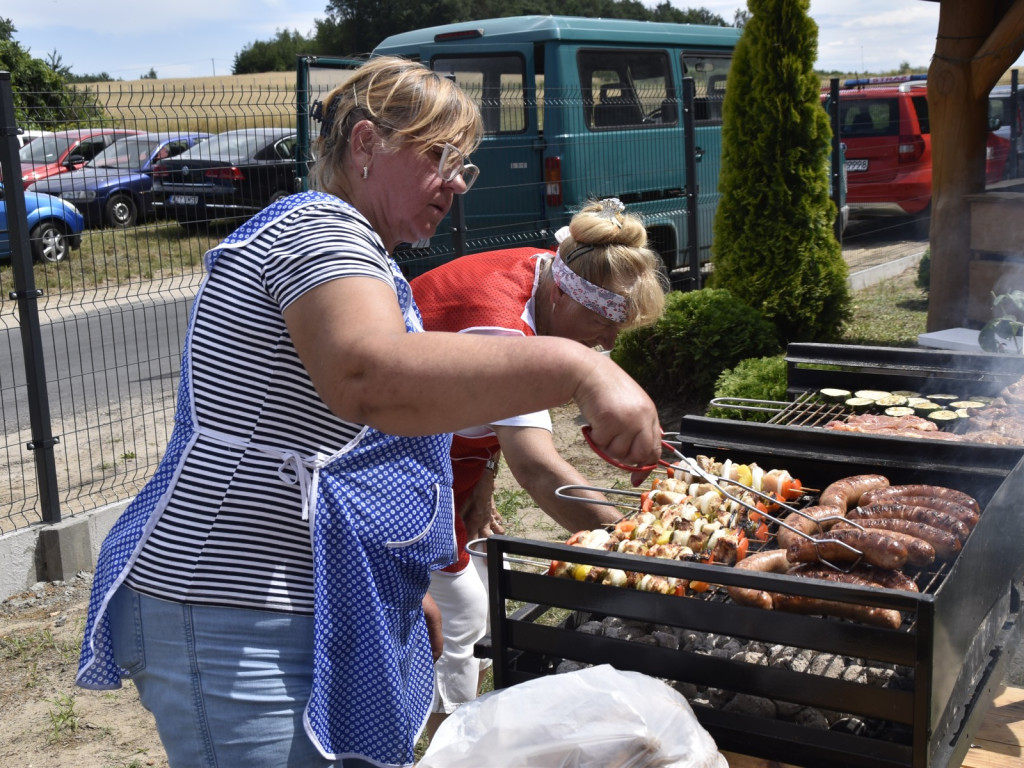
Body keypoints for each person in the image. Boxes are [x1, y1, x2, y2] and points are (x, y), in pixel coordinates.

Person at [74, 56, 662, 768]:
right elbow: (368, 378)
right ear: (364, 144)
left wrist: (391, 585)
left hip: (303, 594)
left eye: (465, 166)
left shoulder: (370, 257)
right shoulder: (320, 229)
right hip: (227, 609)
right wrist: (581, 367)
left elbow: (356, 446)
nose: (455, 183)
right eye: (440, 157)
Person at [410, 198, 668, 736]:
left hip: (442, 460)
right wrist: (637, 548)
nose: (607, 343)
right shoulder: (500, 327)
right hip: (393, 470)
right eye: (601, 323)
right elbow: (542, 470)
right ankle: (444, 737)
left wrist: (481, 484)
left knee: (473, 589)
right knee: (460, 614)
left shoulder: (550, 265)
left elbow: (487, 410)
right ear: (563, 296)